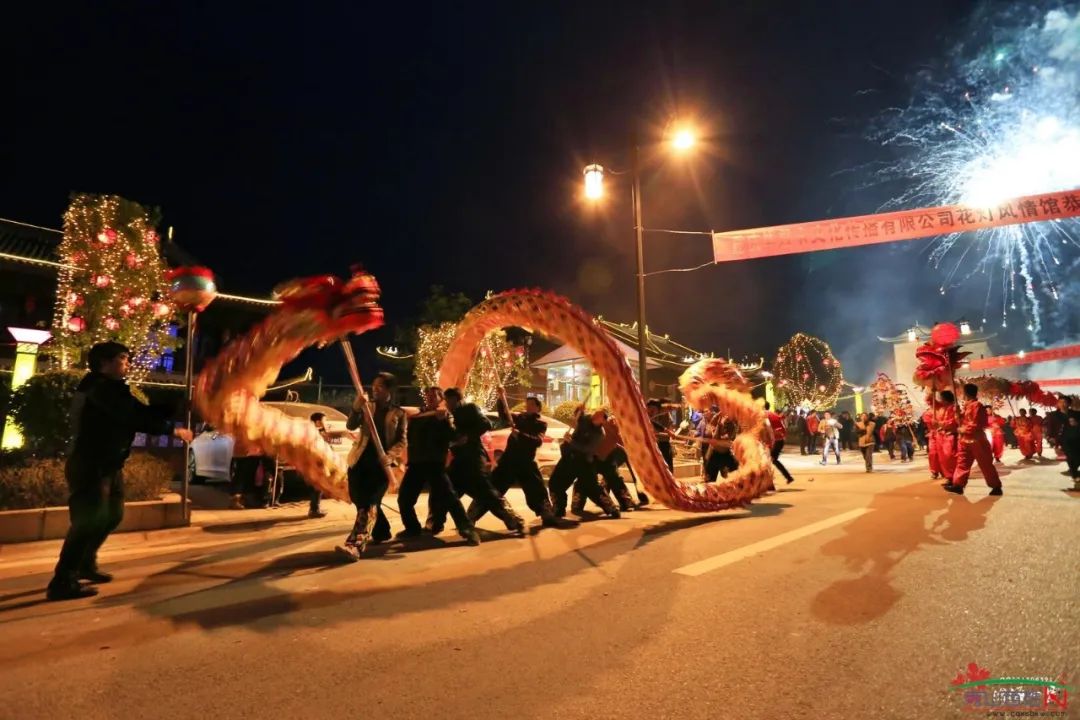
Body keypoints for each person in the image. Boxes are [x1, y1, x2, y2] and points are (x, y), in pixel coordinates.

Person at [47, 341, 194, 601]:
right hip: (91, 464)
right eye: (123, 358)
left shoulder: (112, 389)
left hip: (109, 465)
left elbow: (140, 411)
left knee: (113, 515)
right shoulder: (97, 388)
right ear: (104, 363)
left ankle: (85, 563)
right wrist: (173, 430)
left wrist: (177, 406)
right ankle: (62, 581)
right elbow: (132, 416)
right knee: (87, 521)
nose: (127, 363)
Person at [425, 387, 525, 536]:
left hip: (473, 457)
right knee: (442, 490)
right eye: (446, 400)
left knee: (487, 493)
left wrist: (468, 436)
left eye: (450, 400)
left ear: (456, 399)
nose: (447, 403)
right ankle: (435, 523)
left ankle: (514, 519)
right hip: (458, 461)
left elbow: (486, 424)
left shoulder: (470, 409)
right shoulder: (446, 416)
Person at [396, 387, 481, 545]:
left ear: (440, 398)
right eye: (427, 395)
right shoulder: (417, 416)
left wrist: (443, 422)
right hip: (416, 464)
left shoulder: (443, 416)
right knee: (404, 498)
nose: (430, 398)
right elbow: (409, 438)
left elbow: (453, 436)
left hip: (435, 464)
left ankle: (467, 530)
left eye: (434, 395)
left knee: (450, 498)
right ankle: (412, 528)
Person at [337, 372, 403, 561]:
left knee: (369, 505)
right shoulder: (367, 407)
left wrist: (390, 456)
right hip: (359, 462)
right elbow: (351, 425)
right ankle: (381, 532)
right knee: (360, 502)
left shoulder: (398, 413)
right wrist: (356, 409)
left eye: (380, 386)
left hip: (381, 467)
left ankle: (355, 545)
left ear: (389, 390)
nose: (375, 389)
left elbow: (401, 441)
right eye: (374, 386)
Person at [476, 393, 561, 527]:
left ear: (538, 408)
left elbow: (537, 441)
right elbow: (504, 415)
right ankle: (472, 515)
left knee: (537, 489)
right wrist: (500, 397)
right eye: (527, 404)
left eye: (532, 404)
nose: (528, 406)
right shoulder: (519, 417)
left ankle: (547, 515)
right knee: (493, 488)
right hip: (509, 460)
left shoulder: (540, 424)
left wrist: (520, 435)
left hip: (526, 461)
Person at [549, 409, 619, 519]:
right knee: (555, 483)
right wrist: (578, 411)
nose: (594, 415)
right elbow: (578, 416)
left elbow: (586, 449)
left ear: (603, 421)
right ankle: (558, 508)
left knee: (593, 488)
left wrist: (570, 441)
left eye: (598, 415)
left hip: (584, 462)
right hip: (569, 458)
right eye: (595, 413)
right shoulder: (586, 419)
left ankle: (611, 508)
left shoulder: (599, 434)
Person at [945, 383, 1003, 496]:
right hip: (965, 440)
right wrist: (957, 414)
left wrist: (963, 429)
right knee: (962, 462)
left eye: (963, 392)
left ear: (966, 393)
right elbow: (960, 421)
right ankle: (958, 485)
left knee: (985, 463)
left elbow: (976, 424)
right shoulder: (967, 406)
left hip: (977, 439)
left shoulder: (977, 405)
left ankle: (996, 486)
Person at [593, 413, 637, 511]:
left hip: (607, 456)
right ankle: (623, 502)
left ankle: (625, 502)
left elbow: (620, 441)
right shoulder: (612, 424)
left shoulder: (615, 424)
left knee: (614, 479)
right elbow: (620, 440)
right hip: (594, 456)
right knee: (588, 481)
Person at [763, 401, 795, 484]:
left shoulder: (765, 415)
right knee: (771, 460)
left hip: (775, 441)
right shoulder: (773, 414)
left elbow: (768, 429)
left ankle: (786, 477)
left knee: (771, 459)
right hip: (779, 440)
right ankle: (787, 477)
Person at [704, 415, 739, 482]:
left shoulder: (732, 425)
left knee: (734, 477)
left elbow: (729, 437)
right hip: (715, 454)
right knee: (709, 480)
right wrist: (718, 424)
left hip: (726, 454)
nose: (726, 417)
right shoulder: (716, 420)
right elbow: (714, 437)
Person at [307, 413, 329, 518]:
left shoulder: (315, 432)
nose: (326, 423)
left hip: (316, 462)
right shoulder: (313, 433)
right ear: (318, 422)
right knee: (317, 486)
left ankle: (315, 508)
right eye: (324, 420)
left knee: (318, 487)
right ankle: (314, 510)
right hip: (315, 463)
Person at [934, 390, 960, 482]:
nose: (940, 400)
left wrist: (939, 424)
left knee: (950, 457)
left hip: (951, 435)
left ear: (945, 399)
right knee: (944, 458)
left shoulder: (954, 408)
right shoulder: (943, 409)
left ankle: (954, 477)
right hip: (943, 435)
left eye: (941, 398)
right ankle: (949, 477)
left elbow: (953, 422)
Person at [647, 399, 675, 472]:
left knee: (667, 464)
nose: (652, 413)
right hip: (655, 443)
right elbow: (652, 422)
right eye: (651, 410)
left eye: (654, 411)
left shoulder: (665, 415)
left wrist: (669, 431)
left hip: (663, 442)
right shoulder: (644, 414)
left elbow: (653, 423)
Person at [1060, 395, 1080, 483]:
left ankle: (1074, 471)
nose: (1062, 404)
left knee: (1077, 457)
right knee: (1070, 457)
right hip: (1066, 440)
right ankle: (1074, 474)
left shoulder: (1077, 414)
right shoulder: (1058, 415)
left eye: (1064, 402)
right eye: (1060, 402)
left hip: (1077, 439)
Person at [922, 404, 941, 480]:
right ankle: (934, 471)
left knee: (945, 453)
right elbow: (927, 425)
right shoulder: (927, 413)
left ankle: (945, 471)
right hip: (933, 435)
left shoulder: (944, 410)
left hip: (944, 433)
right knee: (933, 453)